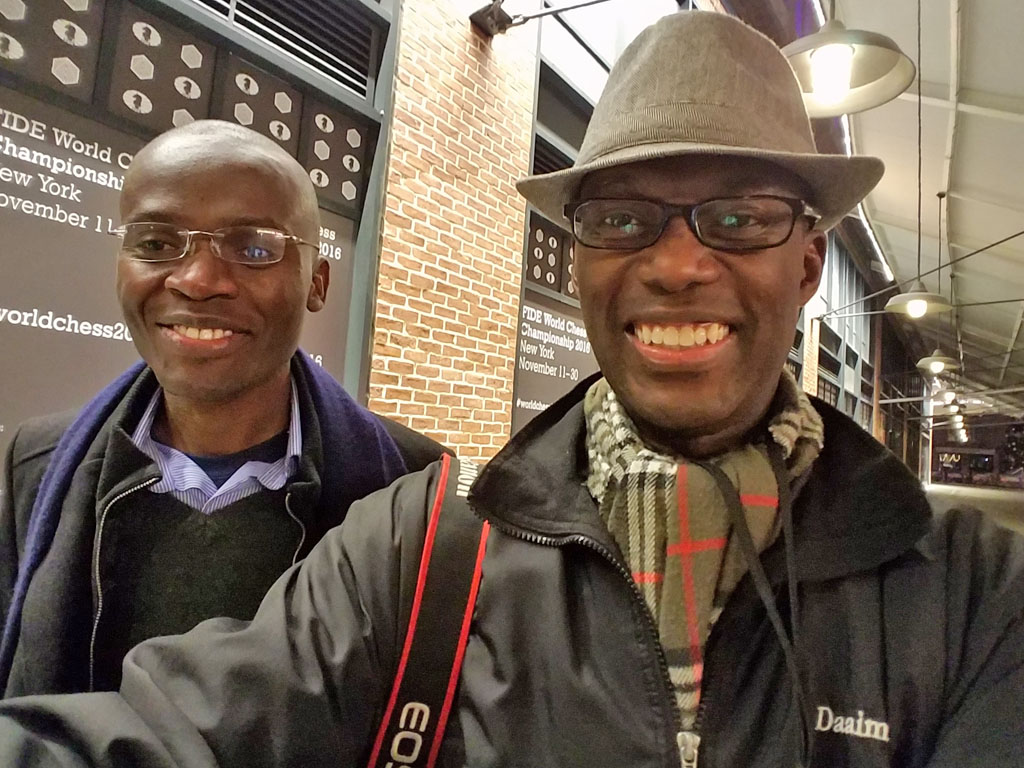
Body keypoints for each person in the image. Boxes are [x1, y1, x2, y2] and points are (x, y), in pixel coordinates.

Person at [1, 12, 1022, 767]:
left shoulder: (974, 597)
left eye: (741, 217)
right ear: (575, 260)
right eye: (621, 218)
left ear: (807, 264)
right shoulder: (423, 547)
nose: (675, 266)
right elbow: (177, 735)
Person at [0, 120, 447, 697]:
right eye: (158, 244)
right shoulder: (35, 468)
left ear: (318, 282)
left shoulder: (413, 491)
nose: (197, 280)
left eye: (254, 247)